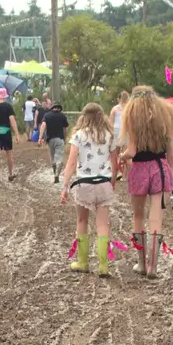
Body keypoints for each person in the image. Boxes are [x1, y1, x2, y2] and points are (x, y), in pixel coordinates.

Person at [121, 86, 173, 278]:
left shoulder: (133, 121)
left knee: (138, 217)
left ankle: (141, 263)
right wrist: (172, 172)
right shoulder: (163, 119)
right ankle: (153, 267)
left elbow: (131, 152)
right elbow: (171, 153)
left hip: (140, 169)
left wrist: (121, 157)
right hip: (160, 168)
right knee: (156, 216)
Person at [59, 101, 115, 277]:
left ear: (84, 117)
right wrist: (112, 181)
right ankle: (103, 266)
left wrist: (65, 185)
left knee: (82, 221)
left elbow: (72, 161)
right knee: (102, 224)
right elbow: (114, 162)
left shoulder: (78, 135)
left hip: (84, 183)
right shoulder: (109, 135)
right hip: (104, 182)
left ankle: (82, 262)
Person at [40, 98, 69, 182]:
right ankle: (57, 175)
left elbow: (43, 125)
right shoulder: (62, 116)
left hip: (50, 140)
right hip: (60, 139)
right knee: (59, 158)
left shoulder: (47, 115)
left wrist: (40, 137)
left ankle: (54, 170)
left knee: (52, 157)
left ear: (52, 107)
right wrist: (65, 138)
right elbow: (65, 128)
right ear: (59, 108)